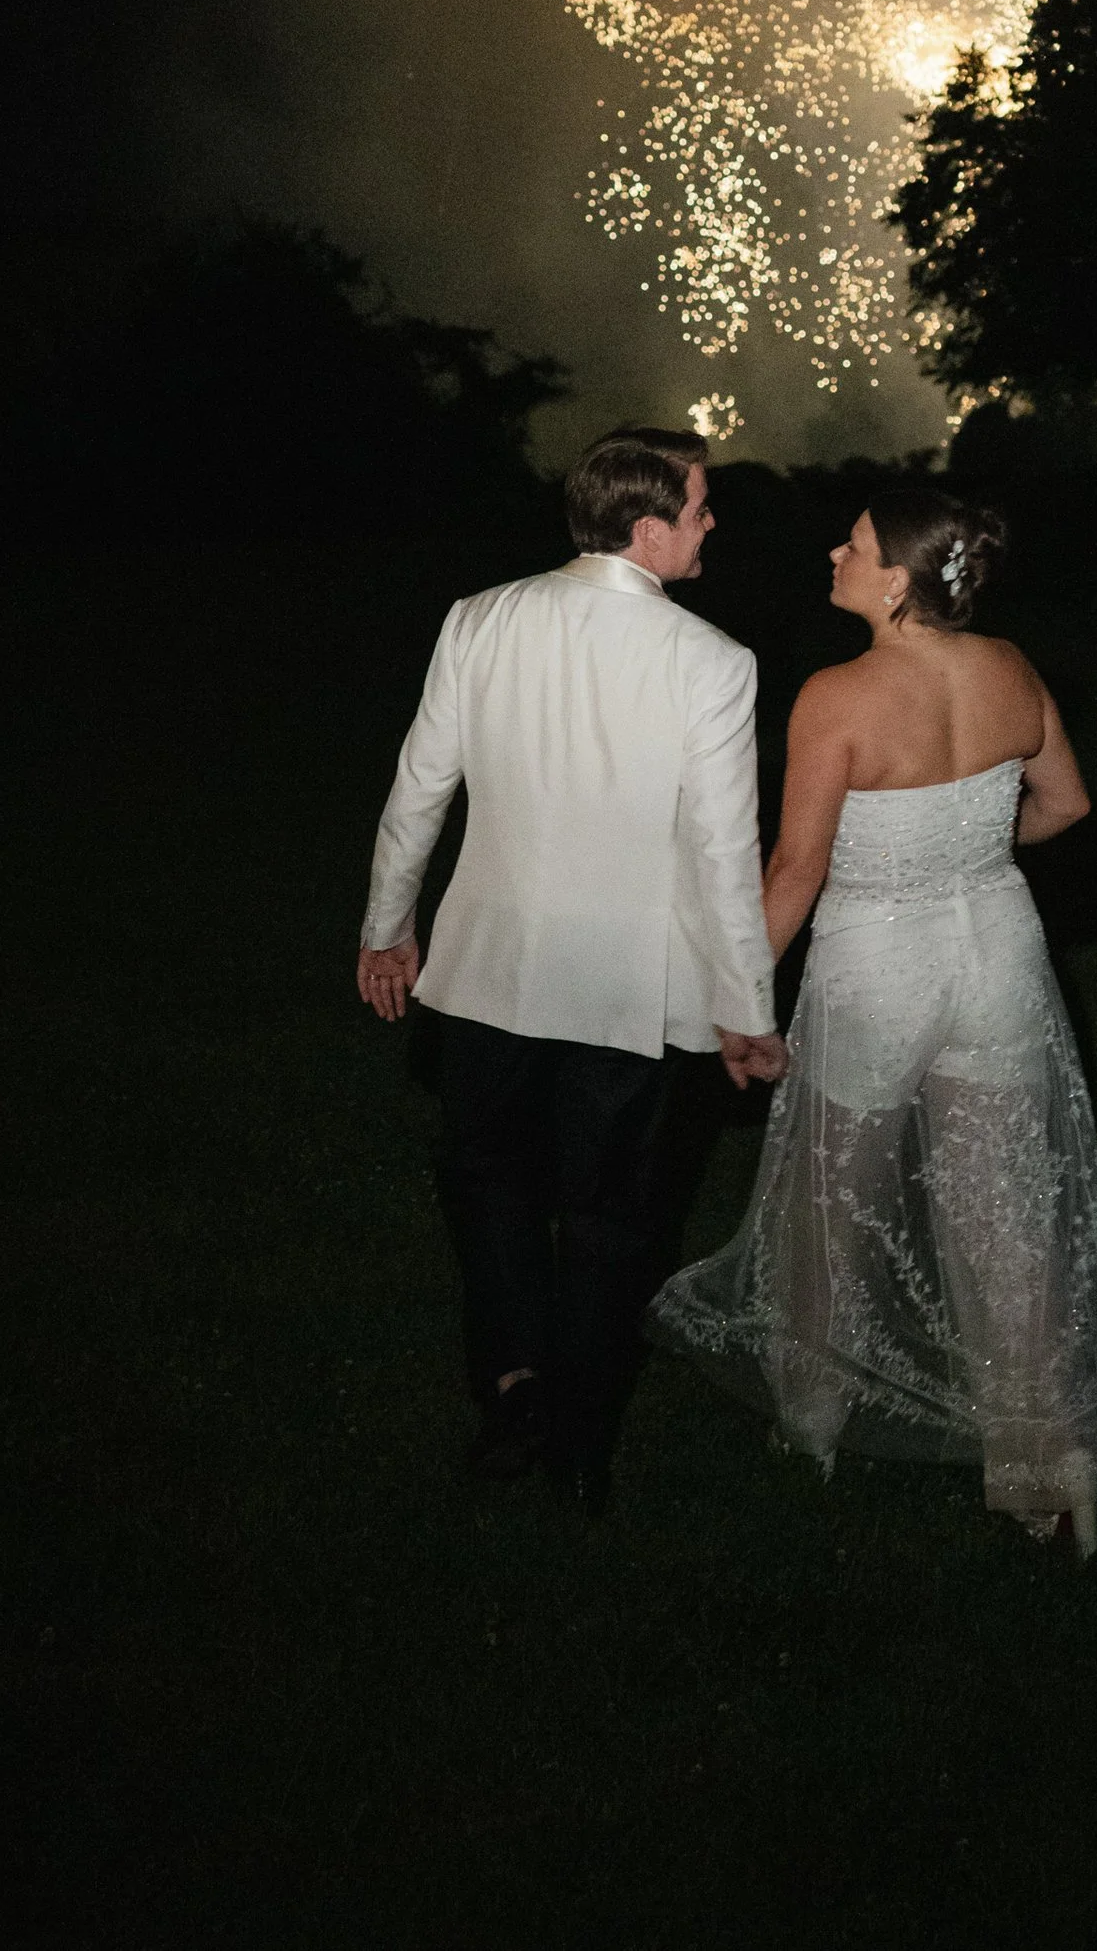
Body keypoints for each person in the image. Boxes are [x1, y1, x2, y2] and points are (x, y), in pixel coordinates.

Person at [649, 482, 1097, 1553]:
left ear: (898, 577)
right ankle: (1048, 1477)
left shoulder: (835, 693)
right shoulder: (1012, 667)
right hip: (1000, 954)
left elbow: (793, 870)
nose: (835, 548)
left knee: (830, 1202)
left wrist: (738, 1006)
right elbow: (1063, 805)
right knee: (1007, 1219)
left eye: (858, 542)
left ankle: (814, 1422)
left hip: (879, 963)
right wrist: (960, 852)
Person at [356, 427, 784, 1509]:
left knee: (489, 1184)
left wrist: (386, 928)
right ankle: (578, 1440)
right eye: (699, 509)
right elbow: (723, 853)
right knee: (608, 1216)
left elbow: (418, 790)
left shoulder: (481, 617)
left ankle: (514, 1388)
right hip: (629, 991)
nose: (711, 525)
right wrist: (744, 1009)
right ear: (649, 530)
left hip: (486, 972)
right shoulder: (714, 664)